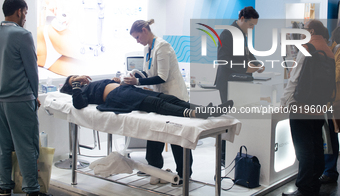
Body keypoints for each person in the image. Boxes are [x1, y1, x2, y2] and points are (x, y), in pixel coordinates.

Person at [125, 19, 192, 185]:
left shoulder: (162, 46)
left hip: (175, 97)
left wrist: (138, 83)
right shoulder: (148, 48)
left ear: (145, 30)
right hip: (159, 98)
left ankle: (184, 174)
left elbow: (162, 76)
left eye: (138, 36)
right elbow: (150, 73)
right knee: (154, 132)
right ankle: (154, 167)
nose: (137, 40)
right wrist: (138, 76)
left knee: (177, 138)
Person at [0, 0, 51, 196]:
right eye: (26, 13)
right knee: (26, 146)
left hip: (1, 101)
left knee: (4, 146)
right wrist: (34, 94)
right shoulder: (22, 35)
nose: (25, 18)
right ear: (19, 11)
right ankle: (32, 189)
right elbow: (32, 70)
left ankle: (4, 186)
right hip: (20, 99)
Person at [281, 20, 335, 196]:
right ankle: (313, 182)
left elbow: (294, 79)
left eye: (305, 29)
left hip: (301, 106)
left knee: (303, 148)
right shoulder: (328, 50)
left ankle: (304, 188)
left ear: (311, 30)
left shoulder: (307, 47)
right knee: (316, 144)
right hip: (319, 106)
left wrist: (285, 101)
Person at [214, 6, 264, 166]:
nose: (252, 28)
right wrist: (245, 68)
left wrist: (256, 63)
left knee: (238, 118)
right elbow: (223, 59)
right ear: (242, 19)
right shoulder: (227, 33)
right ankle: (223, 155)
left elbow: (246, 52)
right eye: (251, 25)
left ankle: (233, 150)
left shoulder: (241, 33)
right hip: (228, 83)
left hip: (240, 83)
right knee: (228, 119)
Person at [60, 75, 233, 117]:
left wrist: (113, 80)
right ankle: (195, 114)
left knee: (167, 98)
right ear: (72, 85)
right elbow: (79, 105)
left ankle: (207, 110)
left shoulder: (89, 84)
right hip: (116, 97)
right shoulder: (79, 91)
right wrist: (75, 84)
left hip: (124, 90)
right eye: (74, 78)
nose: (79, 77)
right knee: (154, 104)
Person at [319, 26, 340, 184]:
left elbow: (335, 73)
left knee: (331, 134)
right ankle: (329, 170)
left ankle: (330, 171)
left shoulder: (336, 51)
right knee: (331, 134)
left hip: (334, 100)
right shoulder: (333, 50)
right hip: (333, 99)